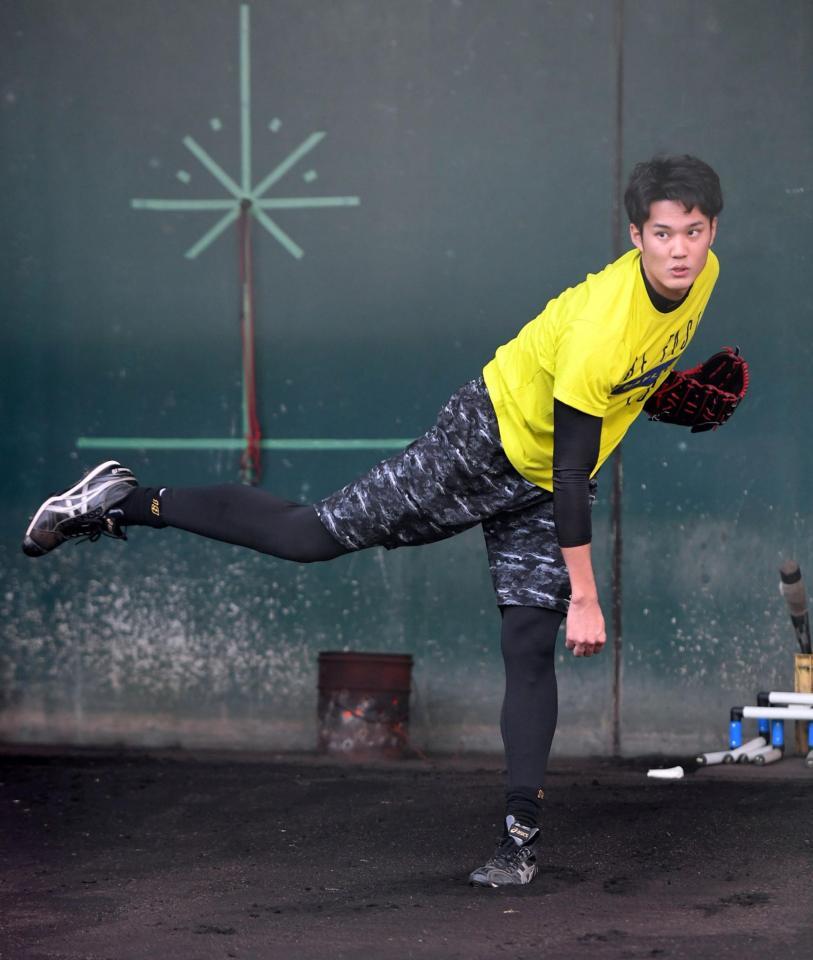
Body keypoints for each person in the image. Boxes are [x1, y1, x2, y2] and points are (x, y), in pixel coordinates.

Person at [22, 154, 723, 887]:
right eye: (662, 234)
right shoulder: (598, 330)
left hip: (543, 480)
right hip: (481, 444)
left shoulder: (700, 277)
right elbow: (577, 465)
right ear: (635, 235)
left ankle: (518, 838)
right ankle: (124, 500)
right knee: (309, 537)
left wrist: (663, 392)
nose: (679, 250)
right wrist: (584, 595)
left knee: (527, 642)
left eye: (693, 232)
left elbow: (620, 387)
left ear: (710, 231)